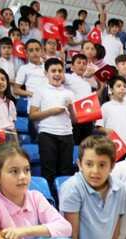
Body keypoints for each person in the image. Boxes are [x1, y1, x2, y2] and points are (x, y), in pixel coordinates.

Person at [28, 58, 76, 194]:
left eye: (60, 71)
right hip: (47, 134)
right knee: (48, 171)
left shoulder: (70, 93)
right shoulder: (40, 91)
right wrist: (53, 111)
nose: (57, 74)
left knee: (66, 171)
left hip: (67, 135)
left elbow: (75, 120)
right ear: (46, 73)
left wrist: (71, 108)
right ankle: (48, 201)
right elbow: (32, 115)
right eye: (53, 71)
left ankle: (64, 201)